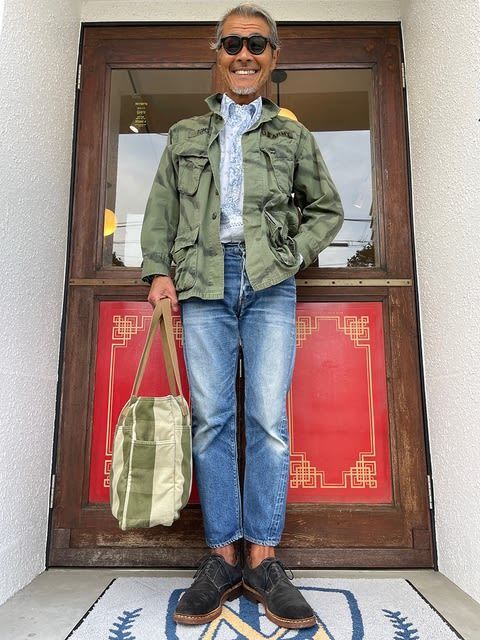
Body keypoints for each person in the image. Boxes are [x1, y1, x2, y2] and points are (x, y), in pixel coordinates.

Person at [140, 3, 343, 629]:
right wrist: (157, 272)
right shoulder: (184, 135)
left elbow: (327, 210)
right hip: (202, 283)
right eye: (232, 44)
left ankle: (263, 559)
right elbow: (160, 210)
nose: (245, 54)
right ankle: (222, 556)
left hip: (270, 283)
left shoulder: (292, 136)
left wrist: (291, 254)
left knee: (267, 422)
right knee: (212, 422)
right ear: (218, 54)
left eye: (257, 44)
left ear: (274, 56)